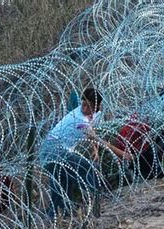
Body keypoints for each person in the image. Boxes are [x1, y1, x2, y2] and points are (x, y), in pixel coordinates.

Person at [40, 87, 127, 217]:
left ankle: (56, 215)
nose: (85, 109)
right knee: (88, 169)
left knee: (62, 183)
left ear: (97, 106)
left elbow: (91, 132)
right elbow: (96, 138)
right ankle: (98, 201)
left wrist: (94, 150)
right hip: (52, 149)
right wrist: (123, 154)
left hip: (59, 150)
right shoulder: (80, 119)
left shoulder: (94, 114)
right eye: (83, 104)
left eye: (89, 106)